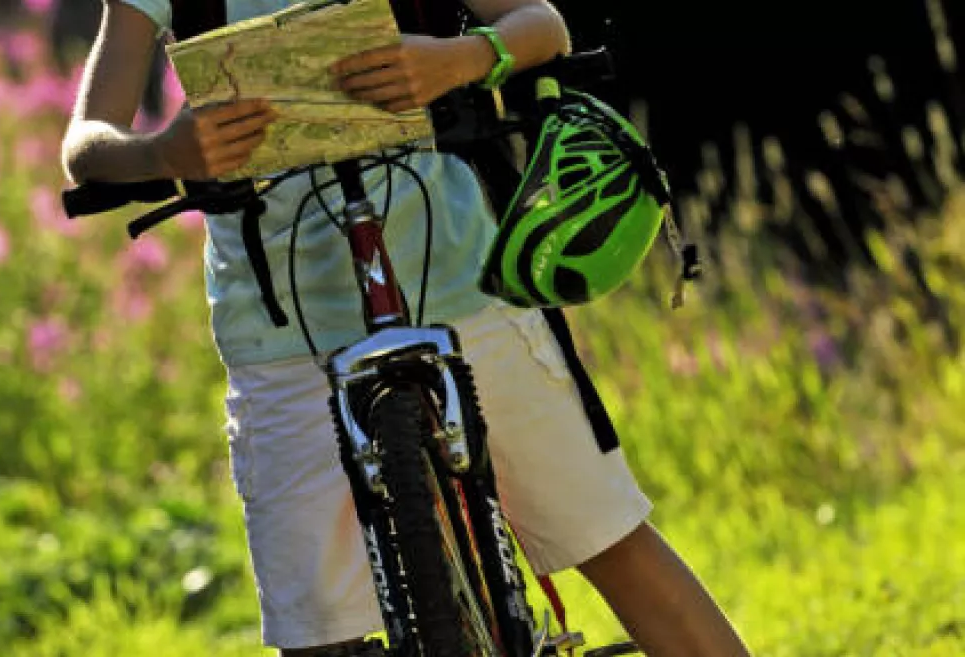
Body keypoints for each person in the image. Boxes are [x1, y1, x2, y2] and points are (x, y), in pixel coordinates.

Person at [60, 1, 753, 656]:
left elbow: (543, 24)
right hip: (283, 339)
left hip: (463, 291)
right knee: (317, 636)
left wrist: (461, 59)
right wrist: (163, 154)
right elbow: (87, 142)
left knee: (610, 541)